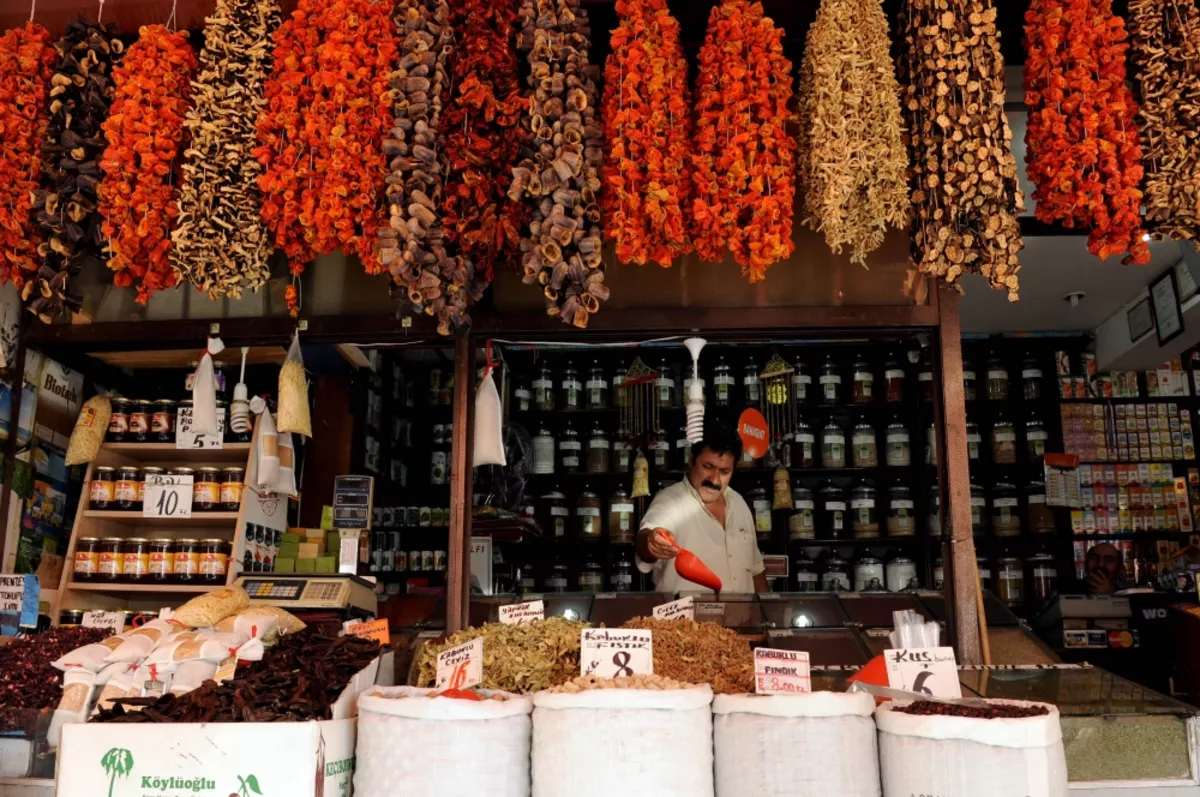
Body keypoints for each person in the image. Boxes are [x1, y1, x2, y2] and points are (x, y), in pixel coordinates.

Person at [635, 424, 767, 593]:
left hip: (740, 620)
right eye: (708, 467)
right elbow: (645, 539)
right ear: (691, 461)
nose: (715, 479)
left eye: (725, 471)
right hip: (686, 619)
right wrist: (651, 541)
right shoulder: (670, 501)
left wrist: (767, 614)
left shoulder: (739, 503)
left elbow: (756, 570)